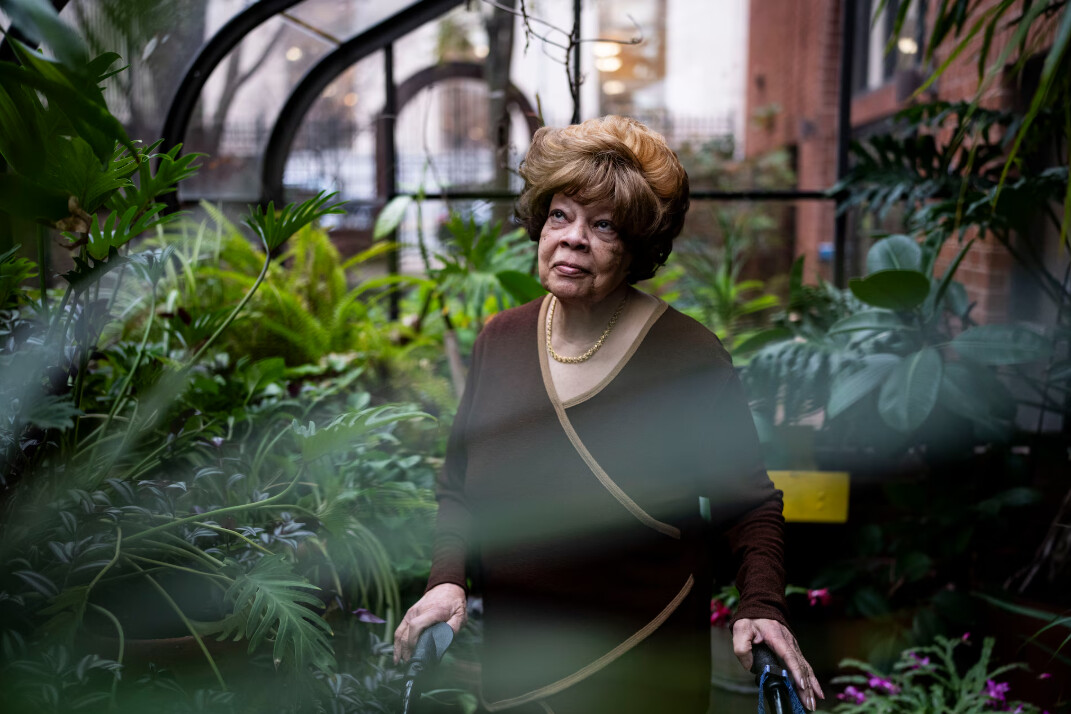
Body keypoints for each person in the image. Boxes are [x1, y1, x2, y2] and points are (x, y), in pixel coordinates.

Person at [394, 115, 824, 713]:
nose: (573, 238)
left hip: (643, 666)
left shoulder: (688, 357)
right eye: (560, 215)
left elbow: (747, 505)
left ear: (638, 248)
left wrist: (761, 606)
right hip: (520, 670)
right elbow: (459, 487)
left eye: (604, 226)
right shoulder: (502, 338)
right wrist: (447, 579)